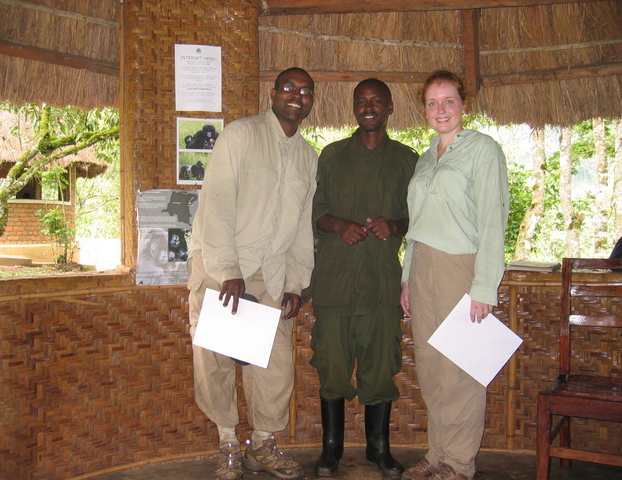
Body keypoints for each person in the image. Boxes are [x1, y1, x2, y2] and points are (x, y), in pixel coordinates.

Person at [186, 67, 317, 480]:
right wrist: (227, 270)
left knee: (275, 364)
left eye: (305, 91)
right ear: (273, 93)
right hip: (221, 269)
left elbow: (303, 226)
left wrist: (295, 282)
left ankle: (262, 444)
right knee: (216, 361)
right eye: (289, 88)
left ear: (312, 101)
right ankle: (227, 443)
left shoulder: (309, 157)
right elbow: (218, 203)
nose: (296, 96)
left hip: (271, 274)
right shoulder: (240, 136)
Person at [400, 71, 510, 480]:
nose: (440, 110)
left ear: (464, 105)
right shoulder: (426, 157)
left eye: (448, 101)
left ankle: (460, 464)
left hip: (460, 268)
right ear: (424, 110)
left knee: (461, 369)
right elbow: (417, 224)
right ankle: (437, 453)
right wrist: (408, 277)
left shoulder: (483, 150)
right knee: (431, 367)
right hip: (424, 266)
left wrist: (483, 287)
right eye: (432, 103)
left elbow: (493, 220)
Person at [311, 78, 419, 478]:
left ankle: (379, 448)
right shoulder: (332, 156)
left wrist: (396, 225)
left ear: (389, 108)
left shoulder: (408, 161)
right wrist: (339, 225)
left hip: (381, 287)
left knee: (379, 370)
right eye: (362, 101)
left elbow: (419, 220)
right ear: (353, 108)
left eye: (377, 101)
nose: (369, 106)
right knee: (332, 370)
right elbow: (314, 211)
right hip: (336, 285)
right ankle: (332, 449)